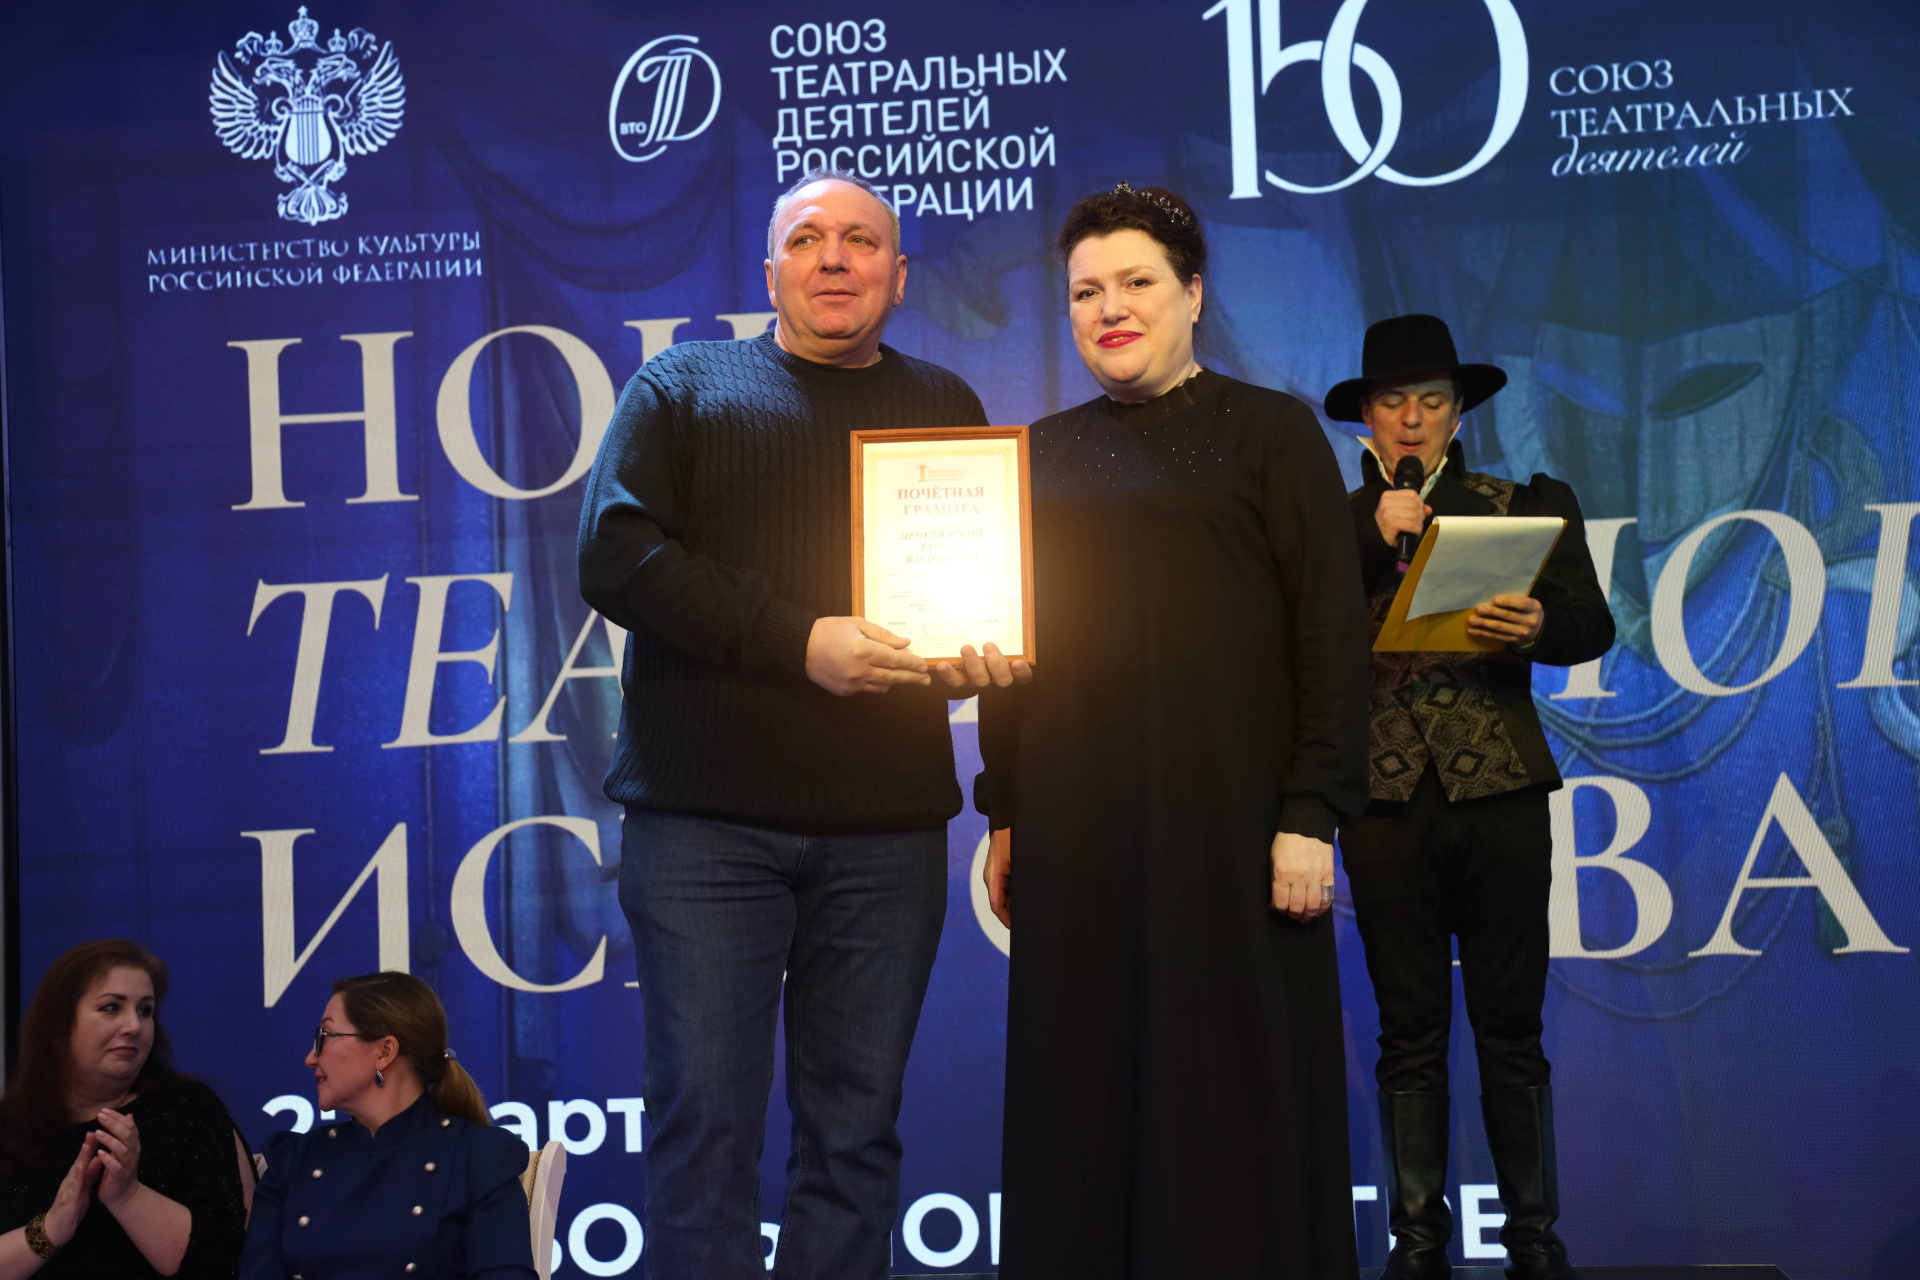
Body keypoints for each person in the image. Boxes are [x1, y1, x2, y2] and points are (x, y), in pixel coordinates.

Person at [576, 167, 1016, 1280]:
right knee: (704, 1127)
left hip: (885, 831)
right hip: (704, 827)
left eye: (861, 241)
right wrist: (796, 639)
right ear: (769, 268)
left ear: (899, 276)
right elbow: (614, 555)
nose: (834, 258)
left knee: (855, 1138)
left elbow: (964, 611)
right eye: (809, 238)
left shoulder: (947, 407)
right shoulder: (683, 387)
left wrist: (968, 658)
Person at [975, 183, 1370, 1278]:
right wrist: (1005, 810)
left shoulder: (1273, 432)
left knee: (1234, 1098)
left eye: (1137, 282)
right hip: (1078, 834)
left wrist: (1311, 812)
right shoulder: (1034, 454)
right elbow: (1007, 651)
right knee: (1081, 1099)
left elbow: (1331, 637)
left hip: (1237, 835)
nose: (1111, 308)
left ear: (1193, 293)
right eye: (1085, 291)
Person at [1326, 314, 1616, 1280]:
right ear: (1367, 416)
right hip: (1382, 801)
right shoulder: (1325, 524)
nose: (1413, 418)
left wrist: (1536, 626)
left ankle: (1534, 1243)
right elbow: (1287, 638)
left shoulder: (1521, 504)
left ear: (1459, 413)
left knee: (1511, 1027)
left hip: (1499, 795)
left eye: (1432, 401)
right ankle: (1417, 1247)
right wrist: (1369, 538)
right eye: (1394, 401)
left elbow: (1590, 624)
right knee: (1408, 1032)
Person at [240, 971, 536, 1280]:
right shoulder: (293, 1163)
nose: (311, 1058)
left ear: (384, 1052)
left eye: (324, 1037)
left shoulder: (478, 1159)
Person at [0, 939, 253, 1280]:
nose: (134, 1026)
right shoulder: (9, 1128)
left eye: (145, 1011)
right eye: (111, 1008)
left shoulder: (190, 1110)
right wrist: (50, 1229)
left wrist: (128, 1196)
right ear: (57, 1027)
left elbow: (230, 1260)